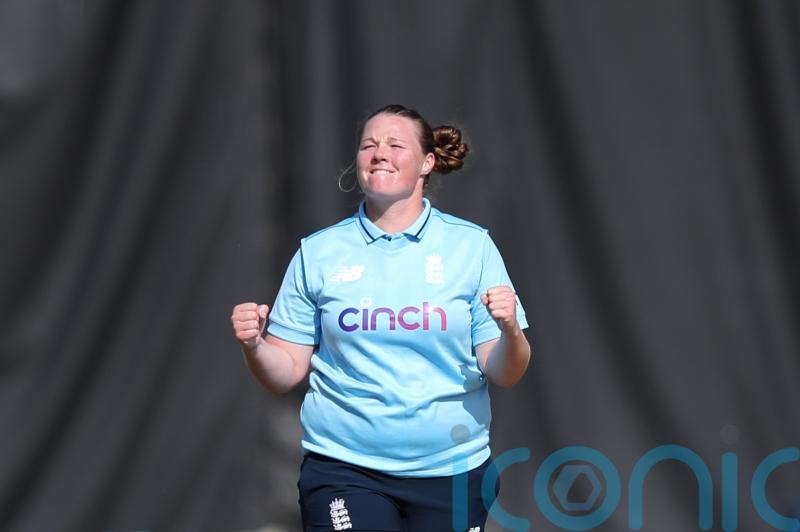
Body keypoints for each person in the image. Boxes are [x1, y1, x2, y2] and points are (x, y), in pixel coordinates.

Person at [231, 104, 531, 531]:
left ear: (427, 162)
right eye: (369, 145)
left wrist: (509, 331)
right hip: (345, 469)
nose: (379, 154)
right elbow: (284, 372)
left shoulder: (471, 247)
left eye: (395, 144)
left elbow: (504, 371)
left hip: (452, 470)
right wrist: (255, 346)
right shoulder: (318, 252)